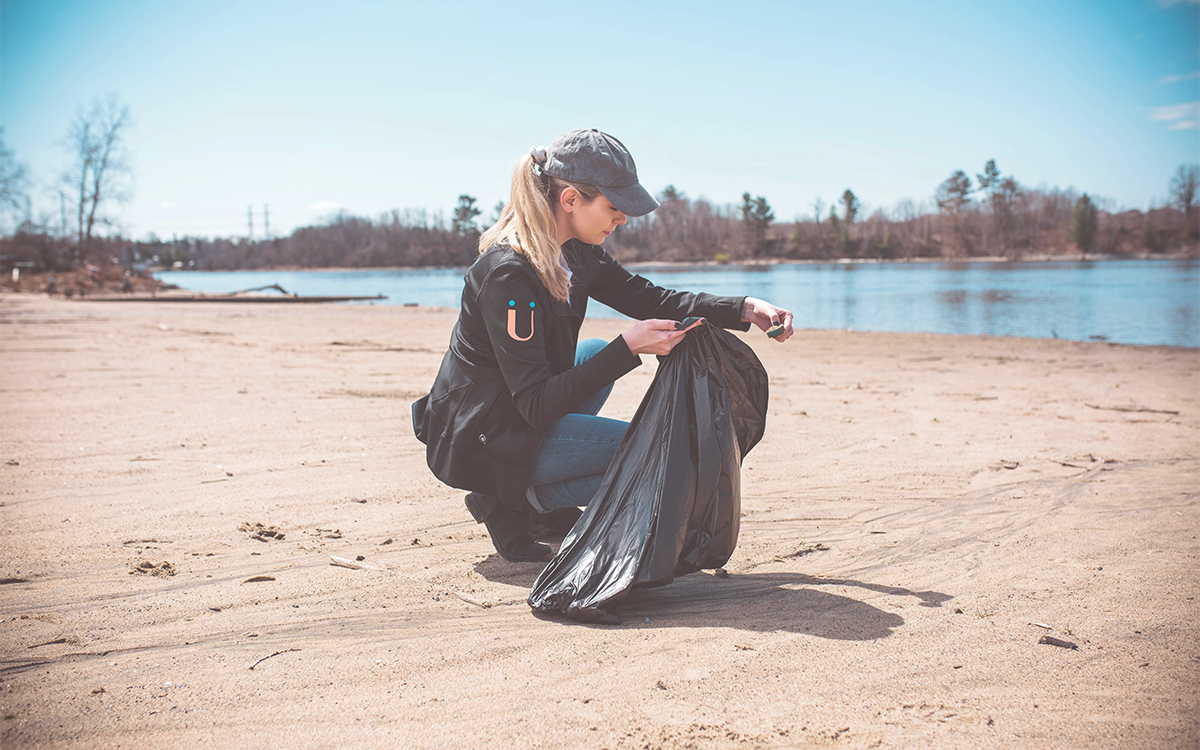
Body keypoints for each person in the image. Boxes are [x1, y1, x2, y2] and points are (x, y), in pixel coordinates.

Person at [411, 128, 793, 562]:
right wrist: (628, 347)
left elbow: (651, 298)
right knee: (653, 454)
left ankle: (523, 499)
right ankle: (515, 497)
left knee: (590, 351)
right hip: (481, 436)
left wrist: (743, 309)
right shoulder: (508, 275)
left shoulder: (576, 252)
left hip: (511, 410)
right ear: (570, 200)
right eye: (614, 207)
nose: (623, 219)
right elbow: (536, 403)